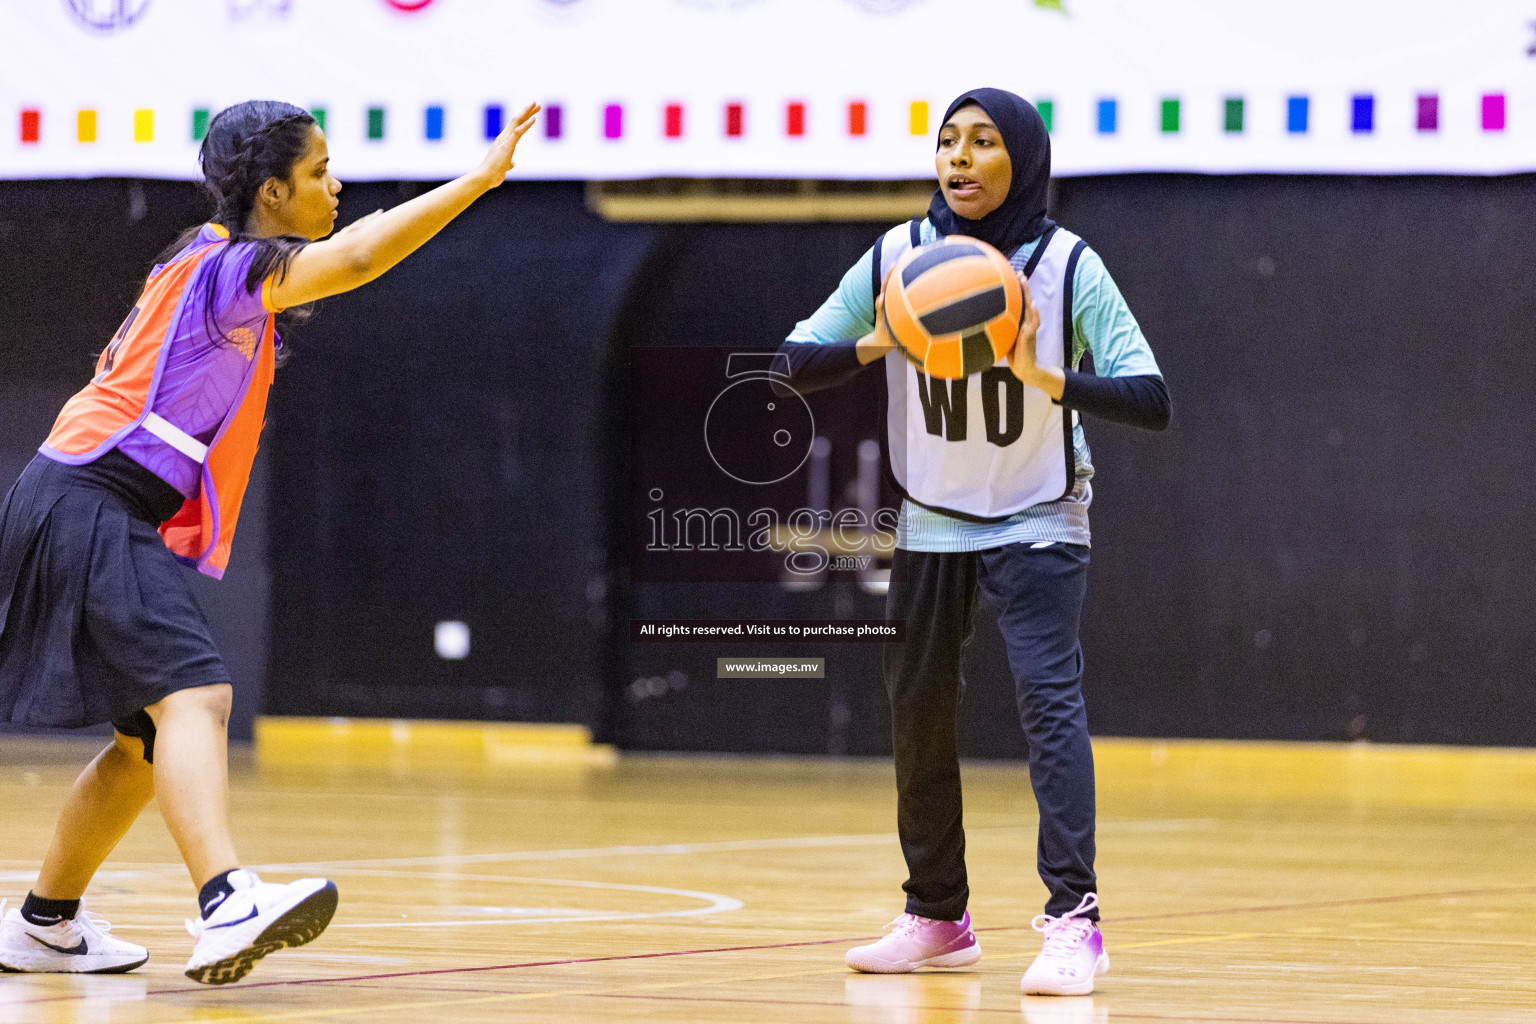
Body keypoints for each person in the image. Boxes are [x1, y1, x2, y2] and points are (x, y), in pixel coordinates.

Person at [0, 98, 539, 985]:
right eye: (321, 172)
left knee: (146, 739)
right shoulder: (229, 267)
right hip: (89, 494)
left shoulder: (202, 260)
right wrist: (477, 180)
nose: (337, 185)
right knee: (197, 696)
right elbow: (360, 255)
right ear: (273, 191)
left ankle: (46, 922)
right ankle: (225, 904)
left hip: (79, 496)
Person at [778, 88, 1170, 996]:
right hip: (933, 513)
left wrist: (1048, 375)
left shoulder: (1068, 264)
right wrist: (876, 341)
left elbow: (1153, 397)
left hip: (1038, 509)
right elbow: (789, 364)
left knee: (1047, 703)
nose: (958, 156)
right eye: (946, 140)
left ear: (1022, 159)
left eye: (983, 141)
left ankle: (1075, 921)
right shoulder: (897, 258)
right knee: (916, 705)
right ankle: (937, 916)